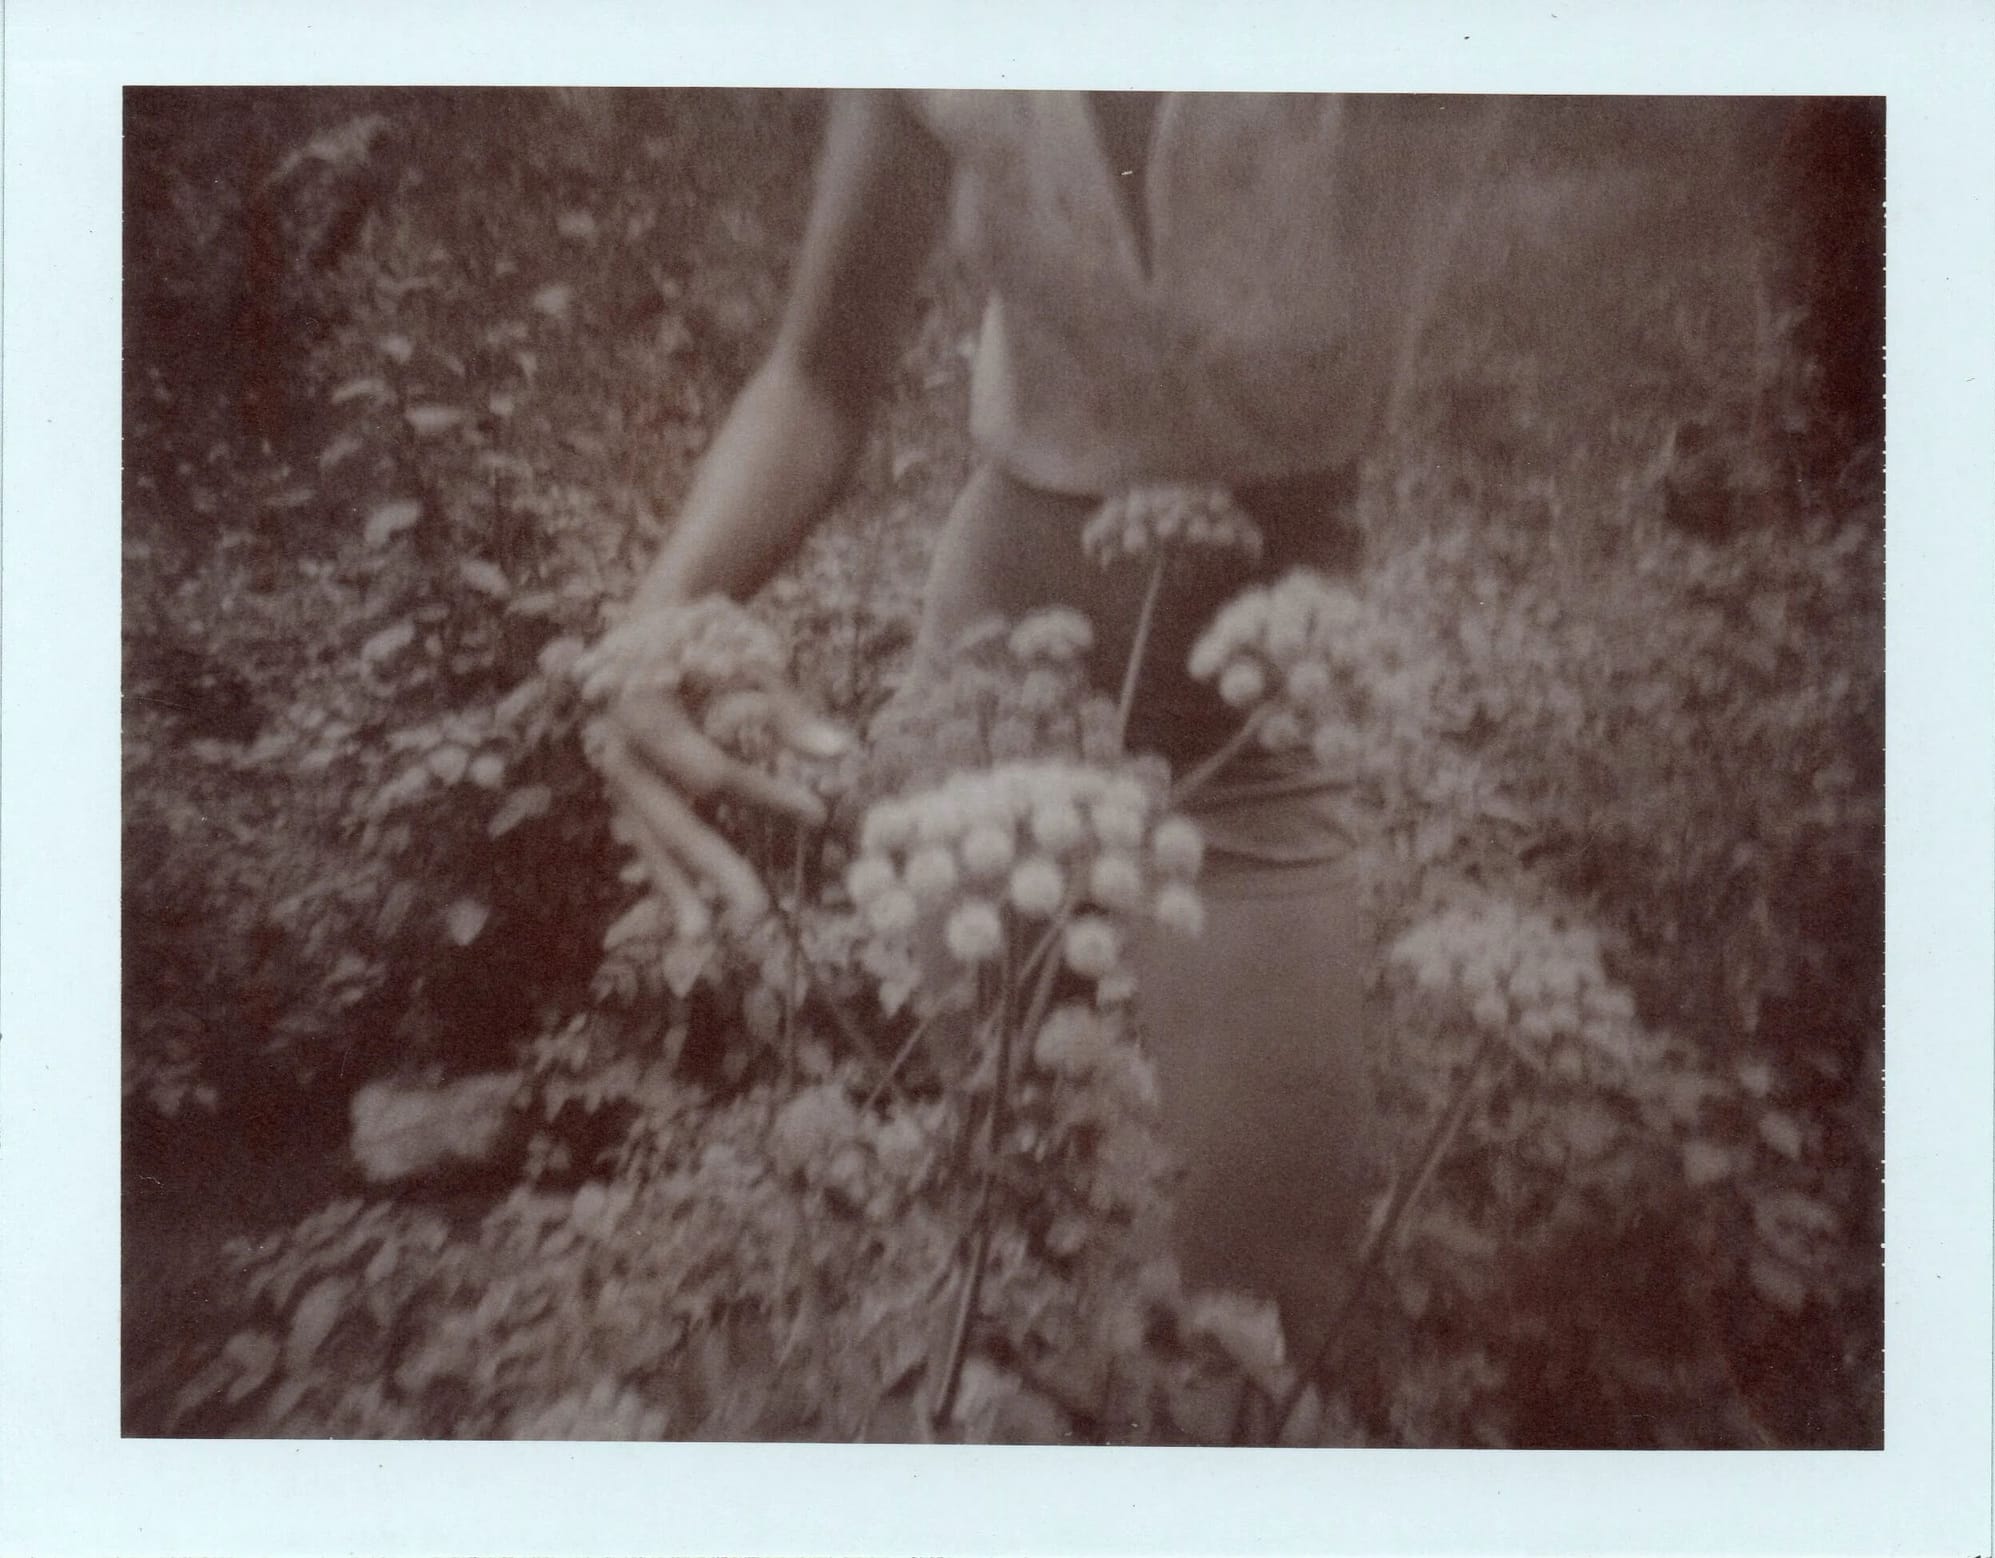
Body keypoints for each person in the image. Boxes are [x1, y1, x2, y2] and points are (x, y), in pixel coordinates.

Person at [591, 90, 1509, 1357]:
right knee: (993, 1198)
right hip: (991, 683)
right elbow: (812, 378)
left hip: (1238, 735)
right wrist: (645, 635)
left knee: (1278, 1317)